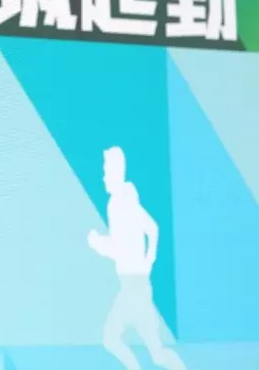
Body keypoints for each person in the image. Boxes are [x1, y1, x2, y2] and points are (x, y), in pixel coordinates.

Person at [88, 146, 186, 370]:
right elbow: (152, 228)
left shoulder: (117, 204)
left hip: (133, 287)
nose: (104, 177)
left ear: (116, 172)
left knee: (111, 338)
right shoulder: (128, 200)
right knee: (157, 355)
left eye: (106, 171)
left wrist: (97, 243)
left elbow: (120, 249)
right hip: (138, 286)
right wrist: (149, 259)